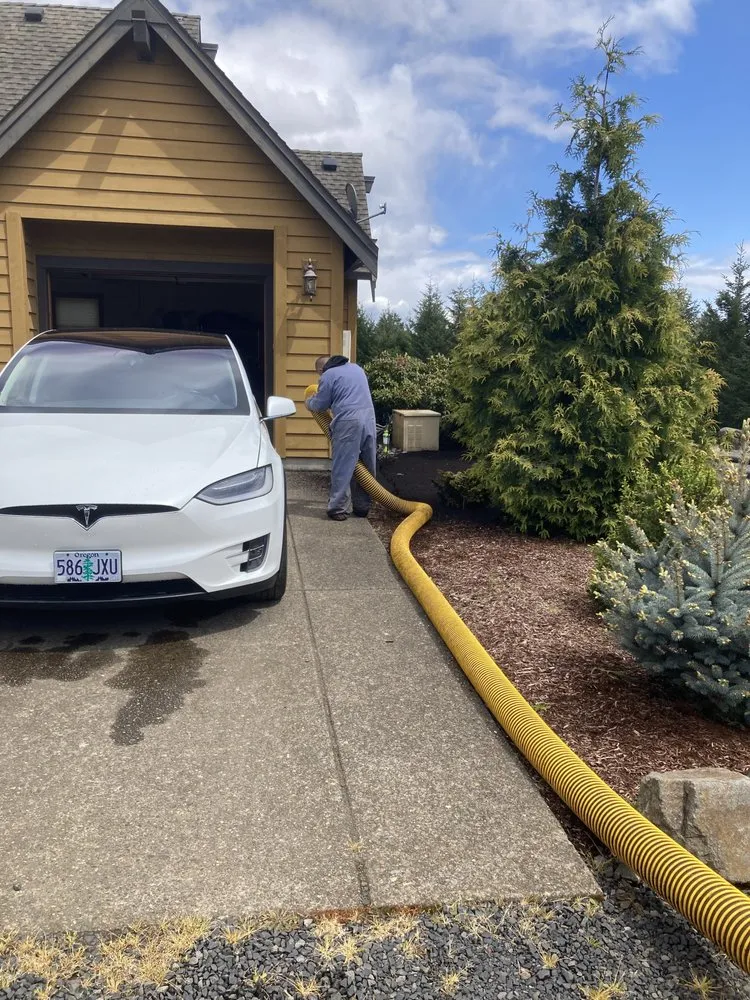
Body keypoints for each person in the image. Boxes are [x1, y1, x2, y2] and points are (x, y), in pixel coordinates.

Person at [306, 353, 377, 521]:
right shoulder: (357, 369)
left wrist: (308, 401)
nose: (319, 377)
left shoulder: (329, 375)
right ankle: (362, 507)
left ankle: (337, 508)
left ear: (322, 369)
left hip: (347, 421)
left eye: (319, 373)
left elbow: (320, 404)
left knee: (343, 465)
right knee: (367, 464)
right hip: (369, 418)